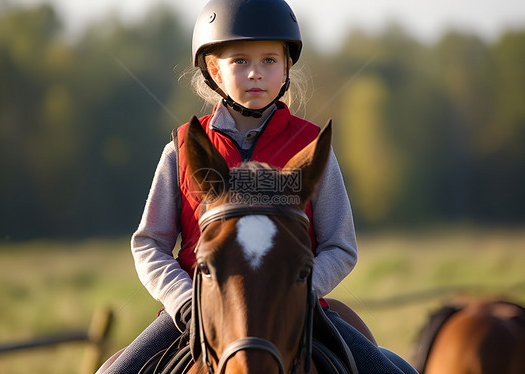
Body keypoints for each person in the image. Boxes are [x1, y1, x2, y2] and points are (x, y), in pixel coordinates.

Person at [102, 1, 416, 373]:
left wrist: (295, 290)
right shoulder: (181, 149)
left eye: (269, 60)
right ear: (215, 70)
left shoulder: (313, 148)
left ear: (286, 67)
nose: (256, 73)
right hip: (197, 312)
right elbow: (149, 243)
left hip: (299, 311)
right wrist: (186, 301)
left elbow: (340, 245)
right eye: (240, 61)